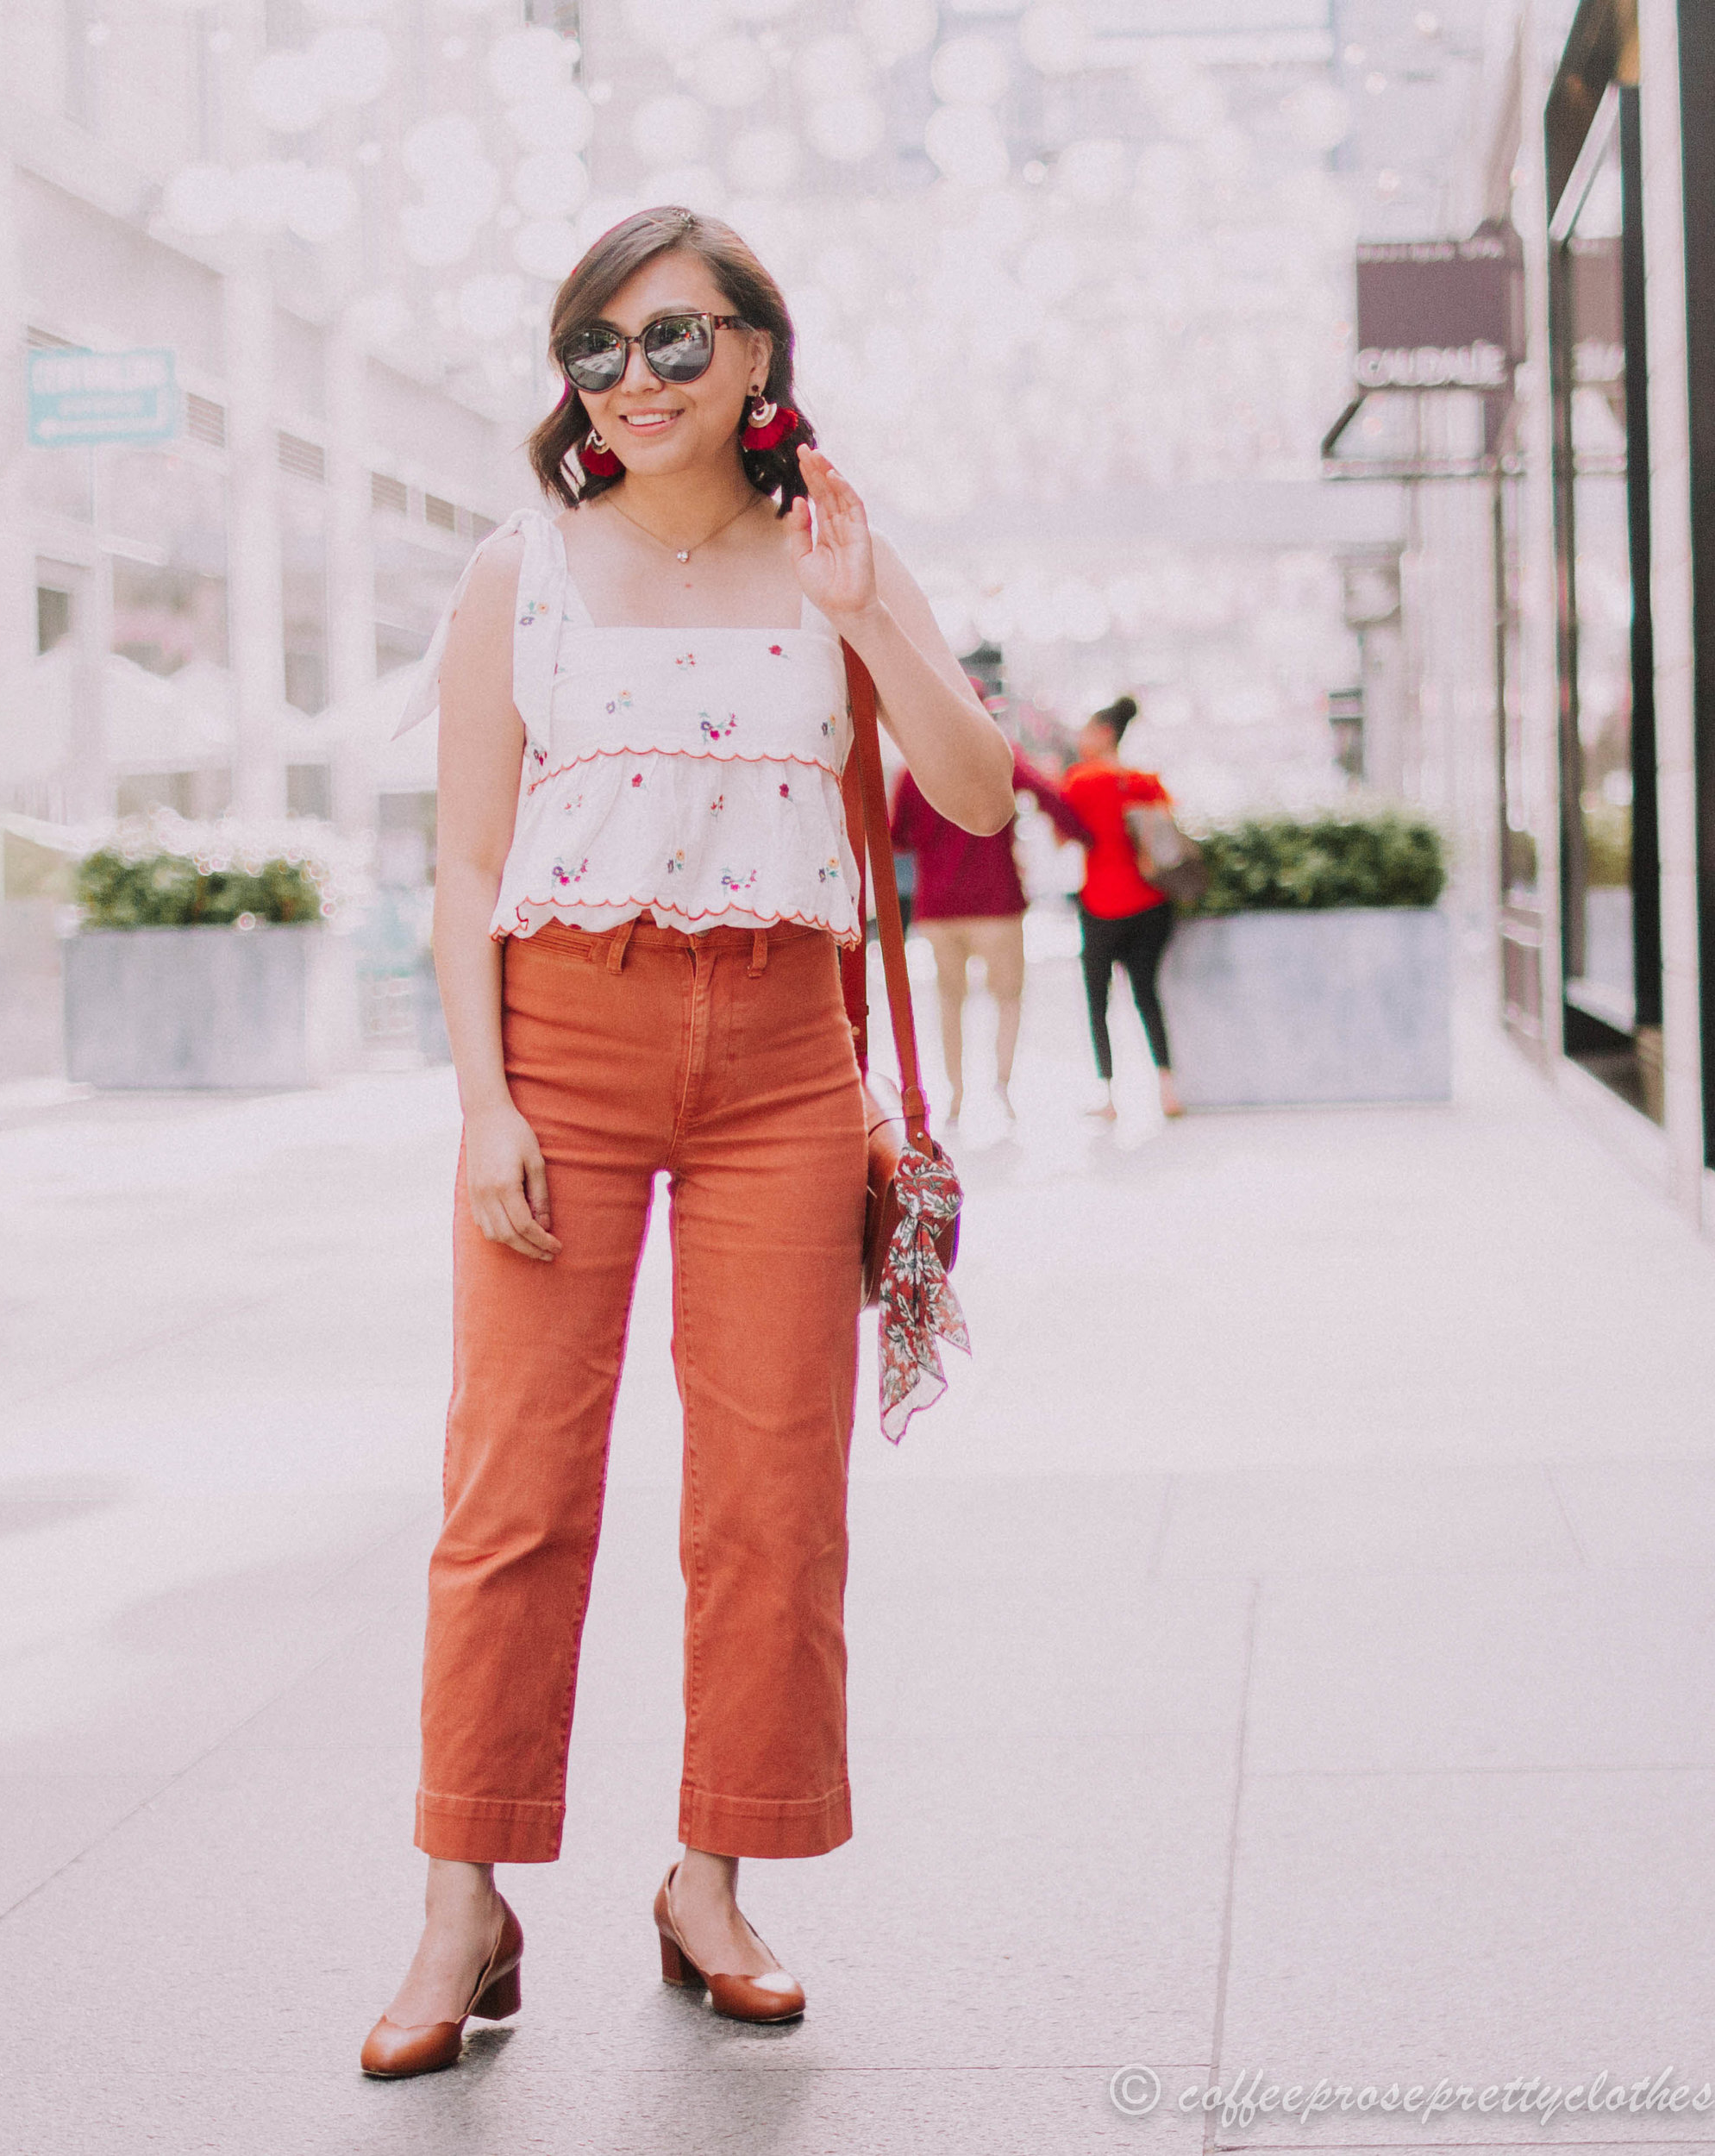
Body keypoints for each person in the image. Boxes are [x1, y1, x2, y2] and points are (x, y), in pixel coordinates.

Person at [361, 206, 1014, 2078]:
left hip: (783, 1057)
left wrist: (867, 595)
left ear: (755, 357)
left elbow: (970, 792)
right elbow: (468, 865)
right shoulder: (520, 570)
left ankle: (710, 1875)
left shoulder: (826, 560)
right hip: (563, 1031)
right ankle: (456, 1900)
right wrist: (484, 1100)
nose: (628, 382)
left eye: (669, 343)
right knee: (512, 1492)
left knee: (766, 1498)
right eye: (595, 348)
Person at [890, 735, 1085, 1125]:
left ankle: (956, 1095)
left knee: (949, 1002)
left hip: (939, 907)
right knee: (1008, 997)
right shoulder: (1000, 755)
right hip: (996, 901)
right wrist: (1083, 835)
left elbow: (898, 838)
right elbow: (1049, 796)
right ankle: (1003, 1085)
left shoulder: (916, 768)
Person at [1058, 694, 1182, 1120]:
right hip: (1152, 905)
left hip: (1103, 906)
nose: (1081, 738)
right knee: (1148, 996)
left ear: (1105, 733)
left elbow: (1064, 837)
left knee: (1099, 1000)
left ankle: (1108, 1096)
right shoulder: (1146, 781)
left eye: (1087, 730)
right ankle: (1167, 1089)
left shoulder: (1081, 781)